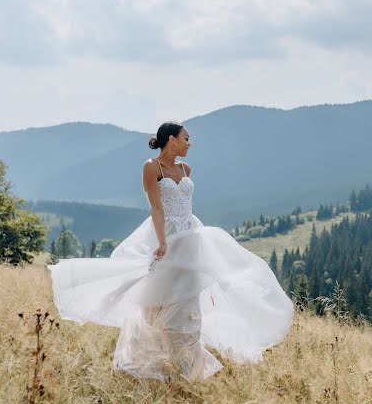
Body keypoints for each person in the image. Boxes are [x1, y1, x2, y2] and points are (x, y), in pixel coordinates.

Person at [48, 121, 294, 380]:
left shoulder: (185, 168)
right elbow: (156, 208)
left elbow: (186, 206)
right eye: (186, 138)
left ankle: (189, 371)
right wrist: (162, 242)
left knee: (188, 300)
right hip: (165, 238)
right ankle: (145, 362)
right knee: (156, 304)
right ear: (172, 140)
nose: (190, 143)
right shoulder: (151, 167)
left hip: (191, 240)